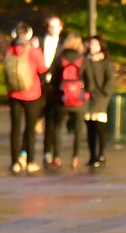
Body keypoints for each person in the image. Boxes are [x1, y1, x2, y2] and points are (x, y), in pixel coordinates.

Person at [4, 22, 47, 173]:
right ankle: (30, 161)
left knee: (15, 128)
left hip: (14, 93)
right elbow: (43, 68)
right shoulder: (33, 51)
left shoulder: (9, 50)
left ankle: (15, 161)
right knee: (30, 128)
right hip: (32, 93)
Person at [44, 43, 85, 170]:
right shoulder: (83, 60)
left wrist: (56, 92)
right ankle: (75, 157)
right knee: (79, 129)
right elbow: (88, 79)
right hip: (79, 101)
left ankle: (57, 157)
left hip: (62, 100)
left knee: (58, 128)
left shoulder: (60, 59)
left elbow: (53, 80)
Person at [79, 35, 117, 170]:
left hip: (100, 98)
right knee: (90, 128)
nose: (92, 47)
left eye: (95, 44)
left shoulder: (106, 63)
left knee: (100, 127)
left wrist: (104, 93)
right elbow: (79, 75)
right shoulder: (84, 61)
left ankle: (101, 154)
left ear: (101, 46)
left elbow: (110, 81)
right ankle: (92, 155)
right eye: (90, 44)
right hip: (88, 98)